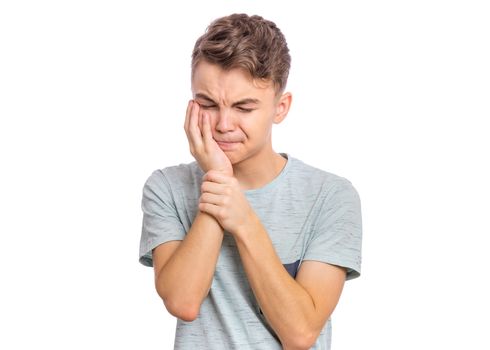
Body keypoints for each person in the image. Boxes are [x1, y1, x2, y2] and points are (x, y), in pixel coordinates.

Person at [139, 13, 362, 350]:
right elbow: (183, 301)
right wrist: (219, 178)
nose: (223, 124)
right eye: (208, 104)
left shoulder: (330, 196)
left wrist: (242, 218)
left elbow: (300, 333)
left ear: (280, 107)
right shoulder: (166, 187)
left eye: (244, 107)